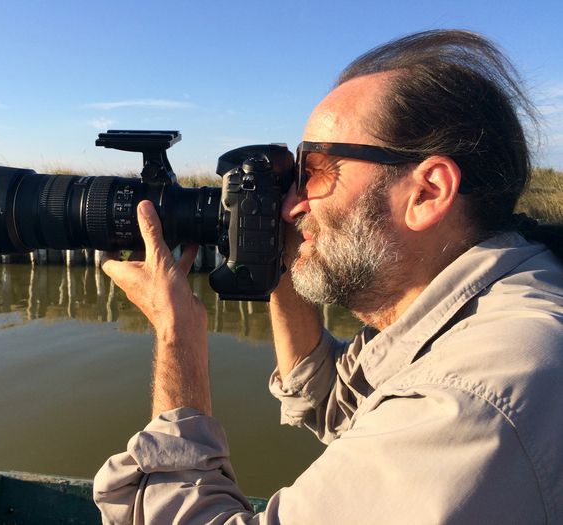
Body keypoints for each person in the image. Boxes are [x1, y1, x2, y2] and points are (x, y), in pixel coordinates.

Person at [93, 29, 563, 524]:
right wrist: (277, 251)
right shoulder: (492, 300)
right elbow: (336, 404)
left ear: (427, 191)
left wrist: (177, 333)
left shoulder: (474, 396)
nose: (293, 204)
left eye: (316, 169)